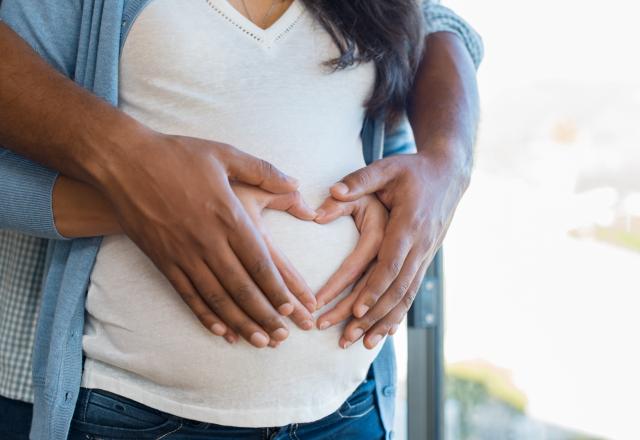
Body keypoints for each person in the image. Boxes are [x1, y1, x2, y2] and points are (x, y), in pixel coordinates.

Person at [0, 0, 482, 439]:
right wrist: (141, 199)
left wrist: (448, 165)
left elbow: (434, 27)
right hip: (140, 412)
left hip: (347, 407)